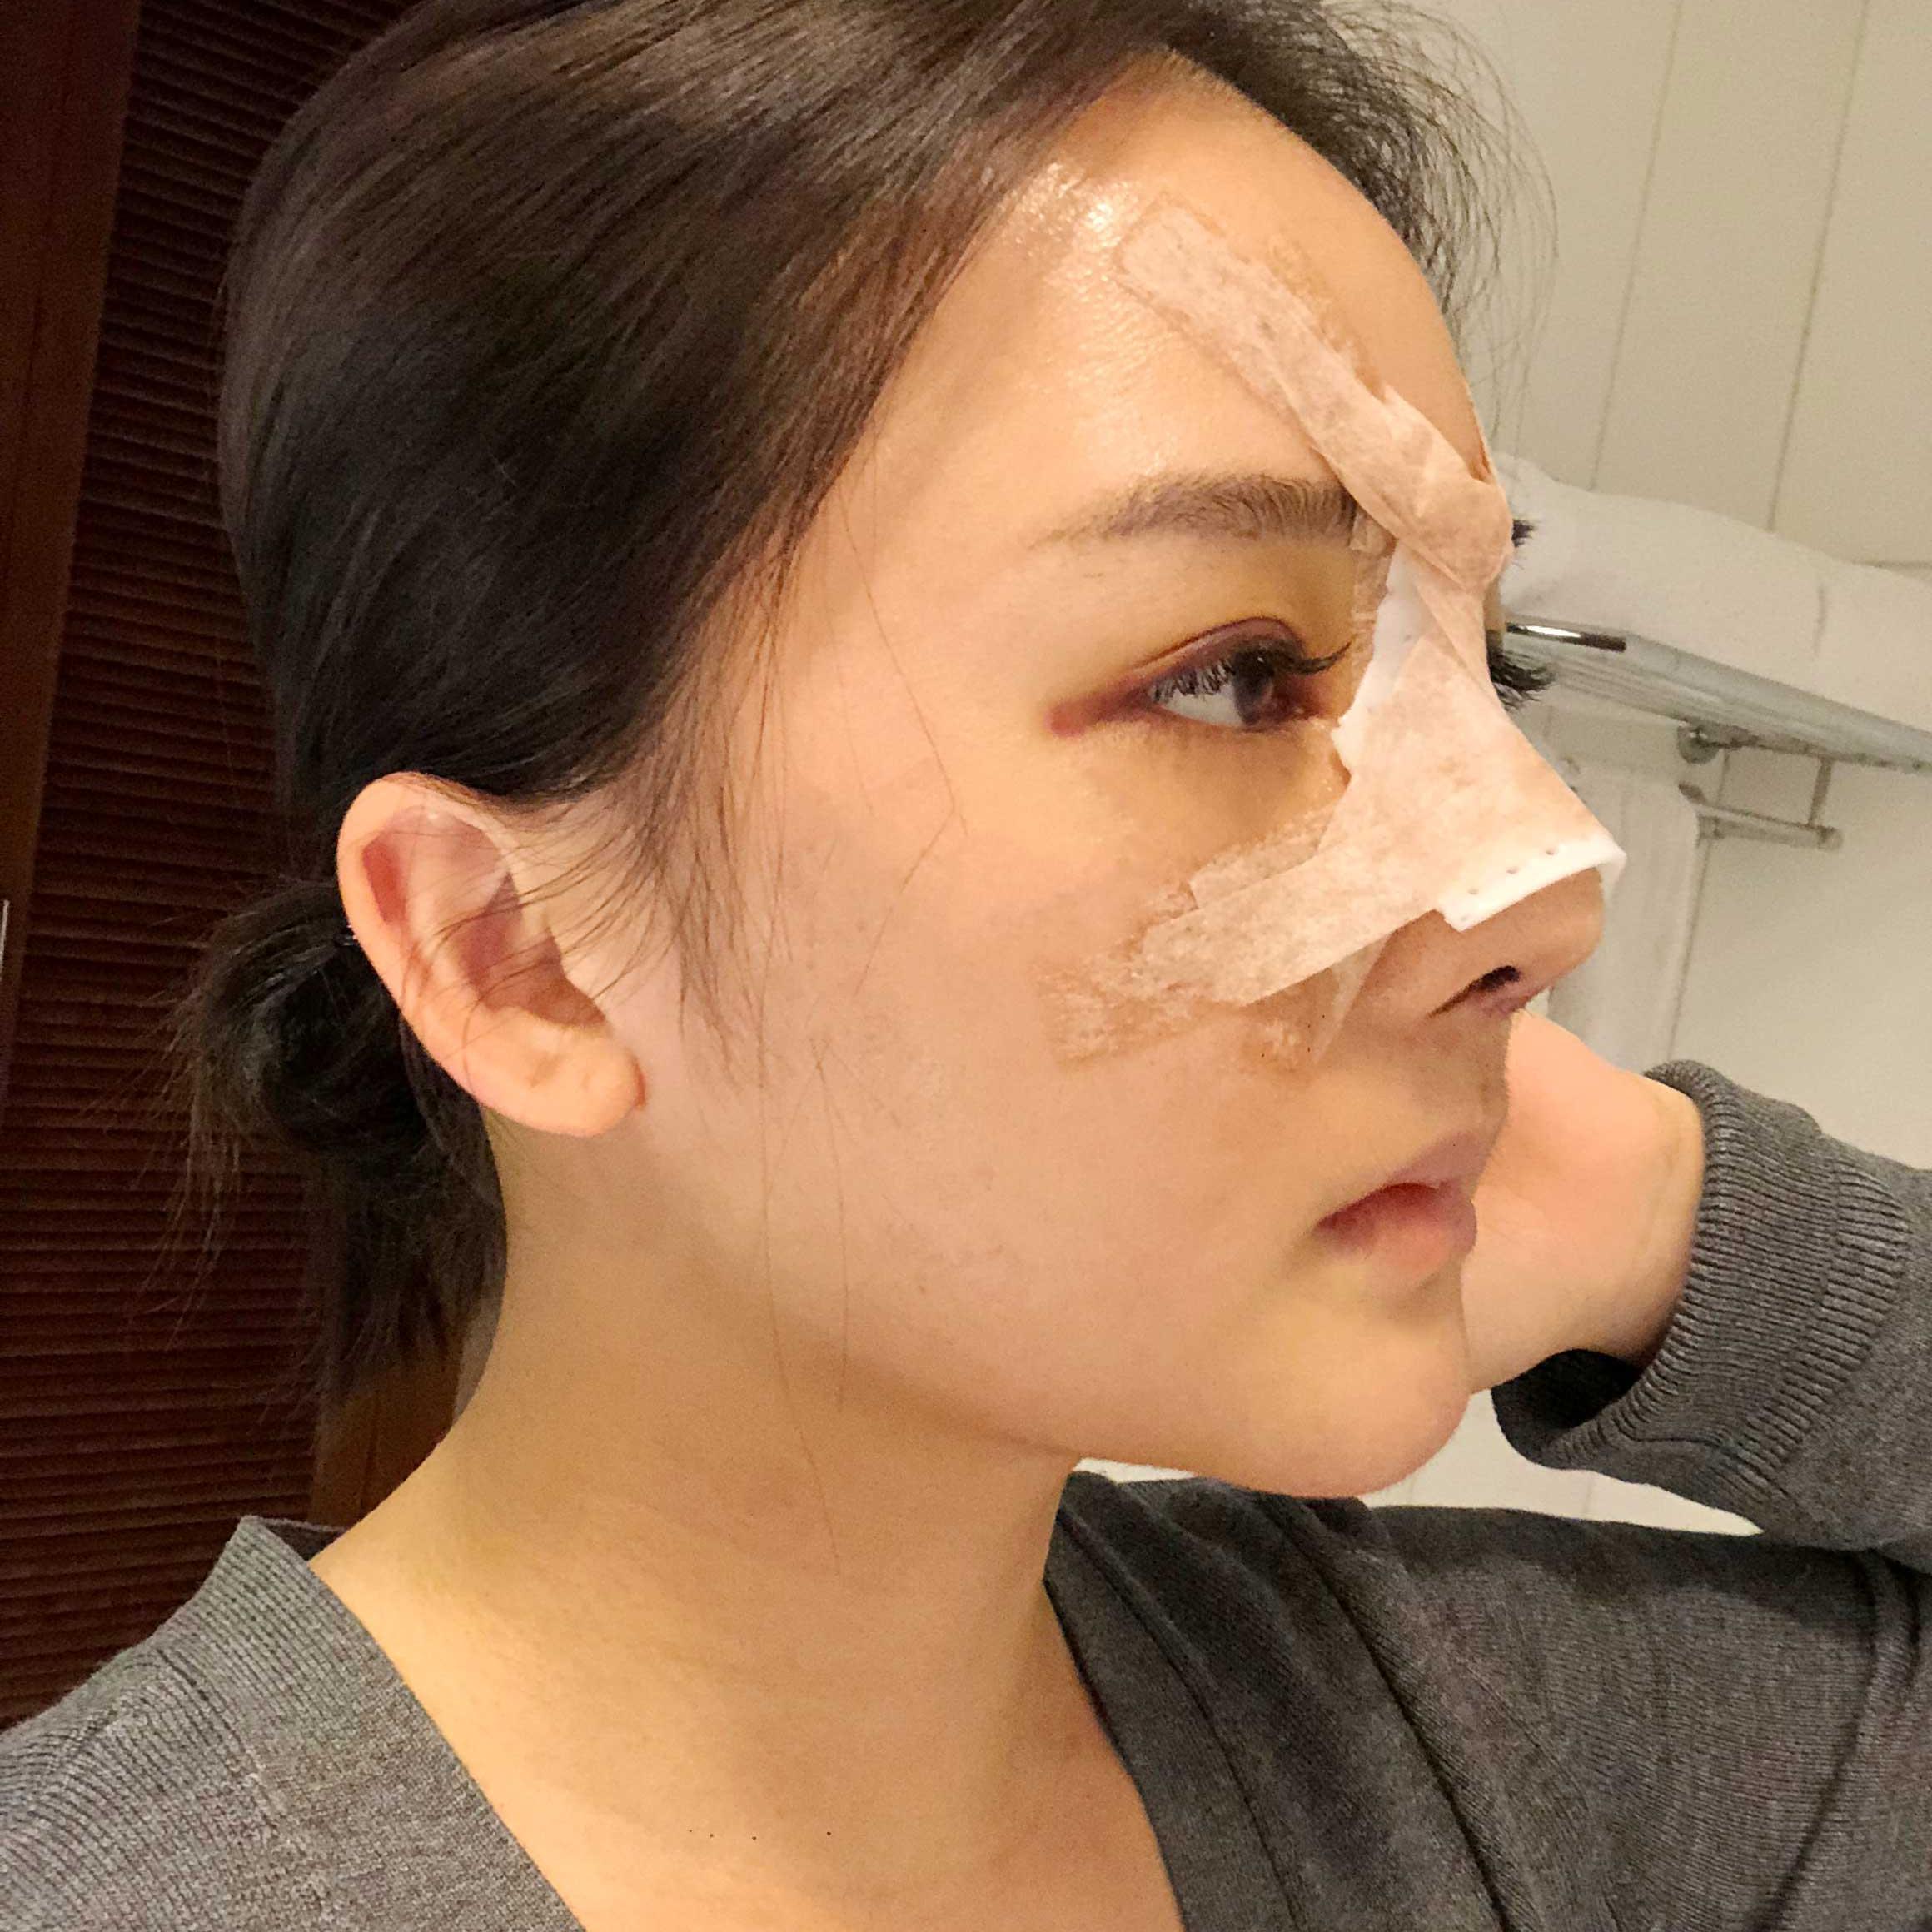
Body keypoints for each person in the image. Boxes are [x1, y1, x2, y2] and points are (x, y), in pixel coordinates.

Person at [5, 2, 1928, 1927]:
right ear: (524, 957)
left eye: (1481, 665)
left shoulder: (1456, 1751)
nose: (1546, 891)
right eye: (1232, 673)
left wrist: (1669, 1222)